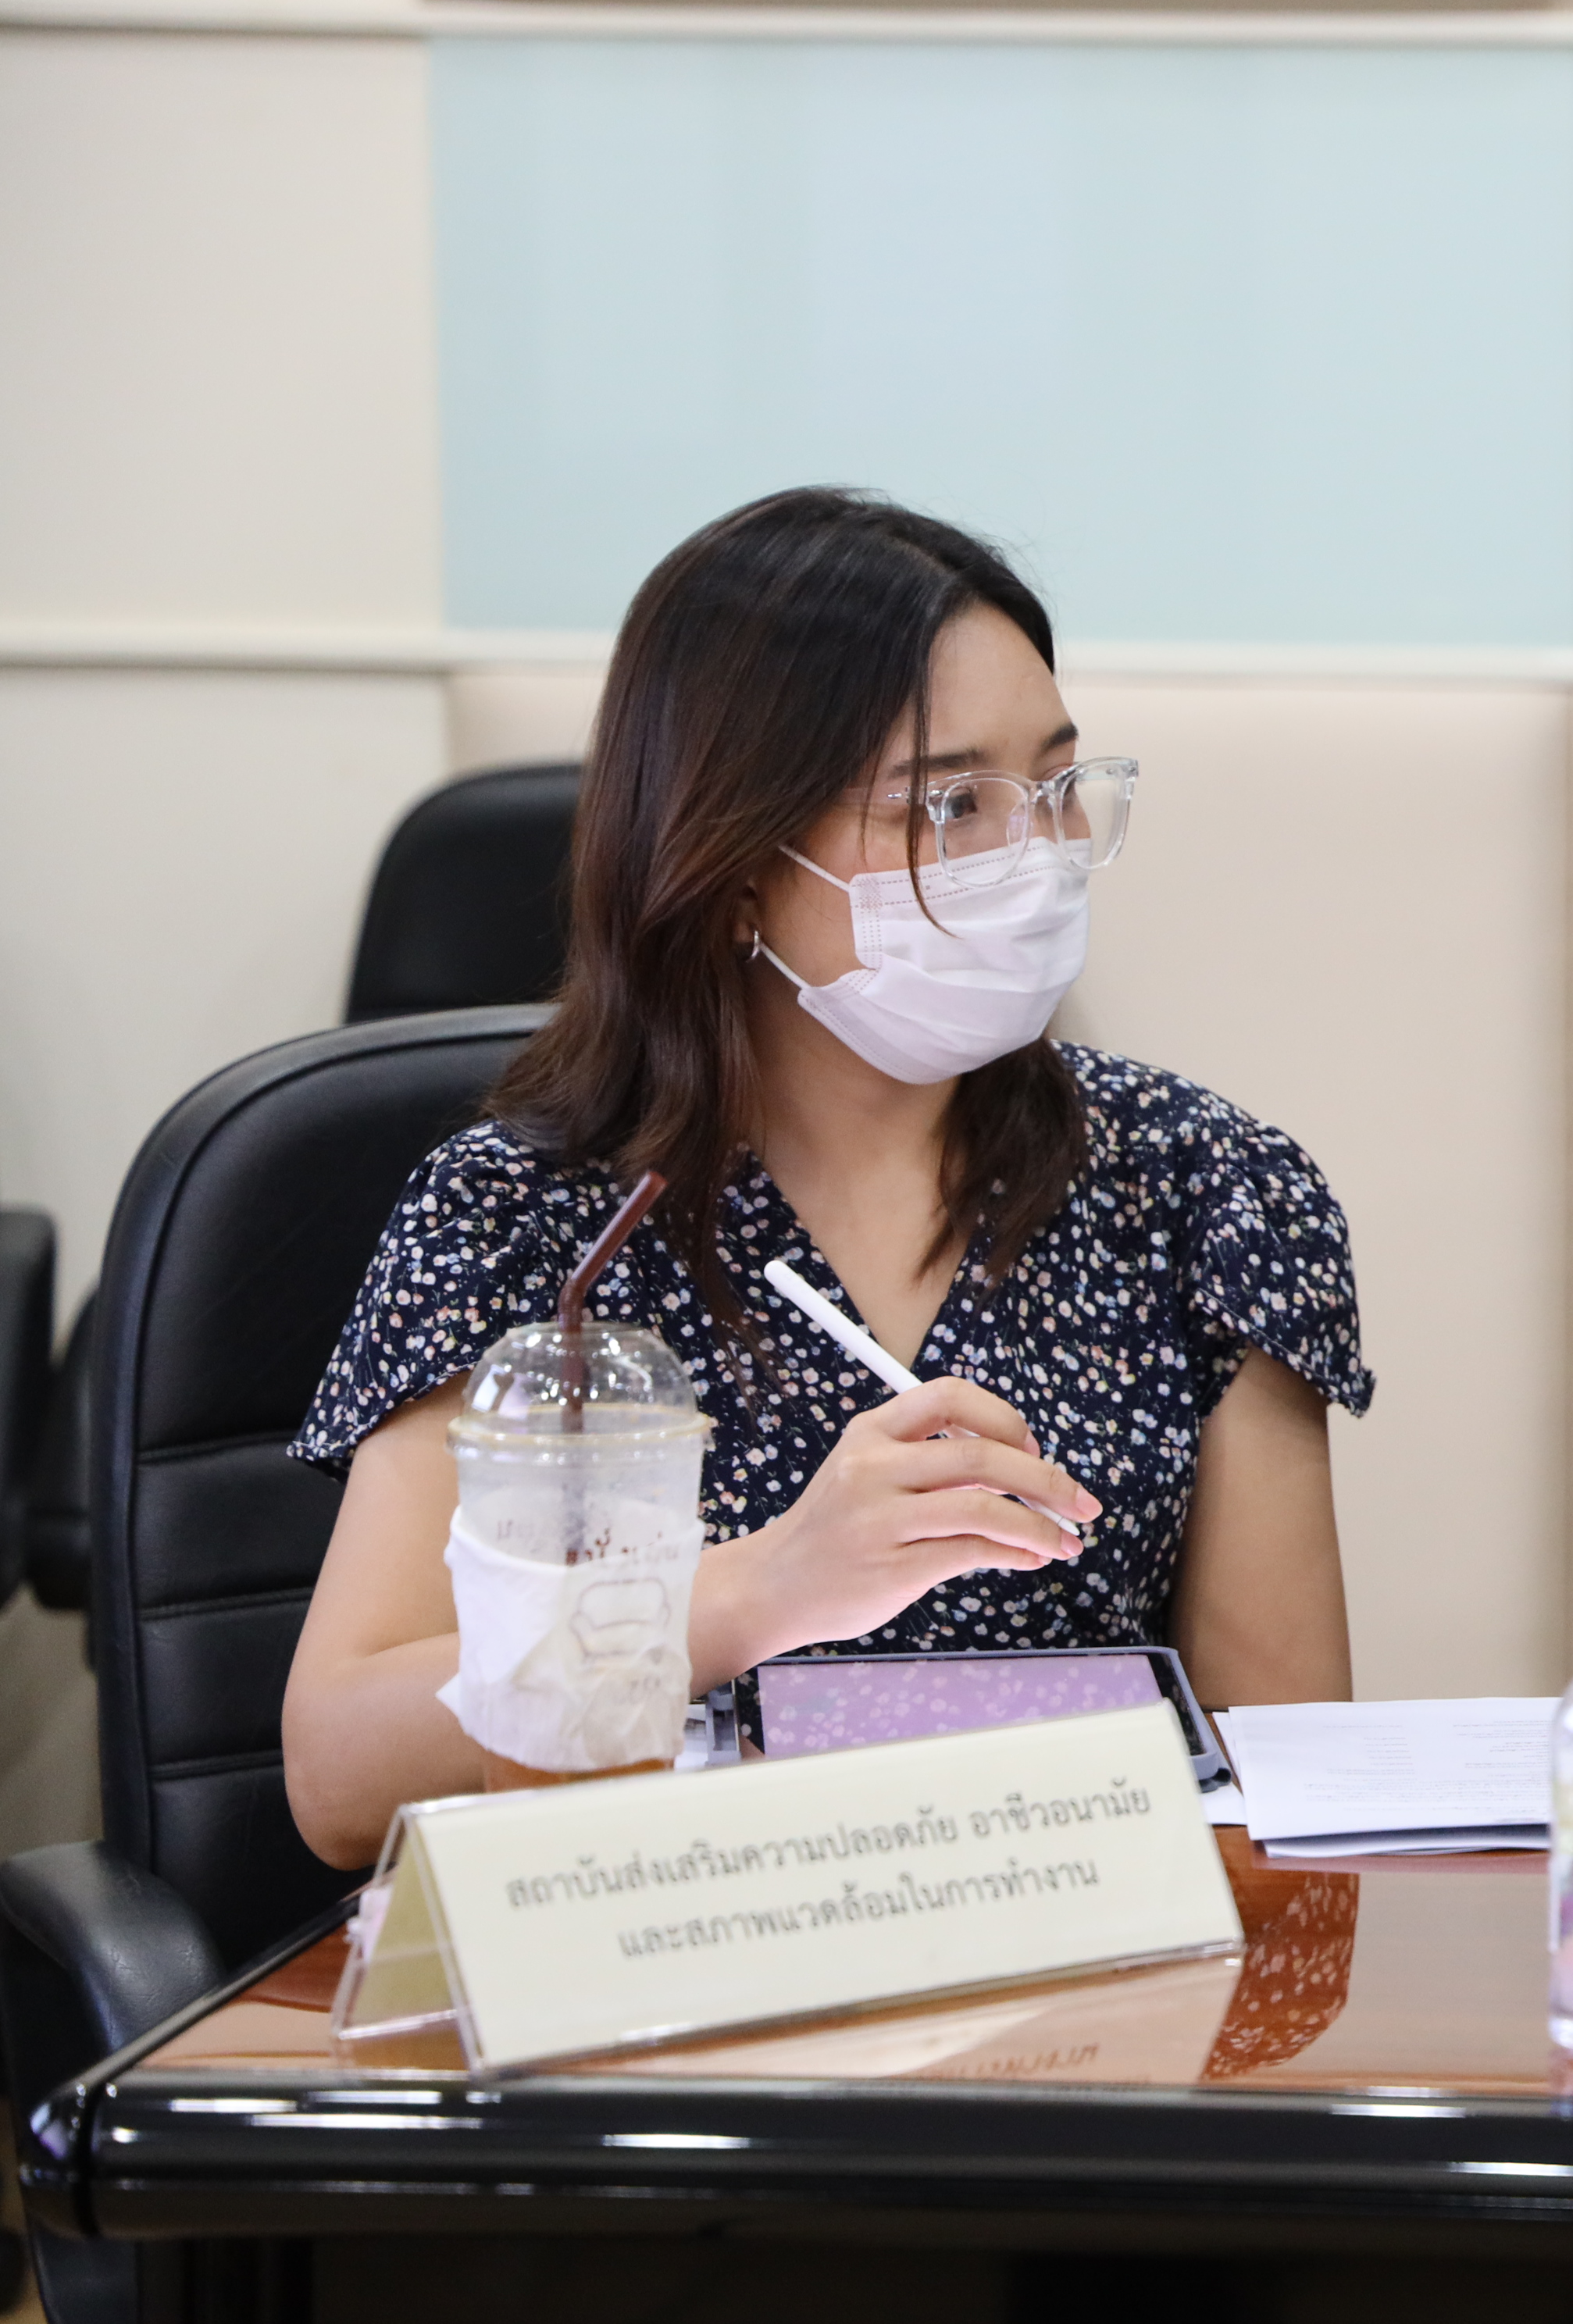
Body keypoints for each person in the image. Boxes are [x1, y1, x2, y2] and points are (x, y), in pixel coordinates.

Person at [283, 489, 1370, 1867]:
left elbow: (1285, 1784)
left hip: (1084, 1948)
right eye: (951, 805)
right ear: (736, 863)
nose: (1033, 861)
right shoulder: (522, 1219)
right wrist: (757, 1592)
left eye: (1054, 789)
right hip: (680, 1944)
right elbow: (339, 1773)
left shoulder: (1205, 1188)